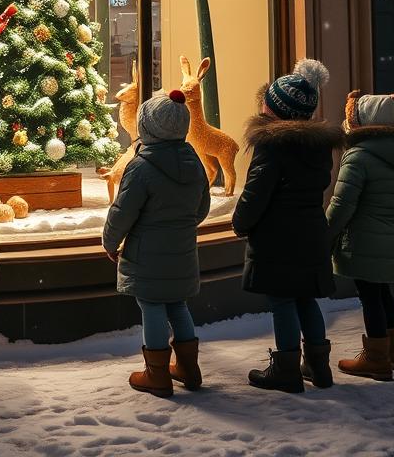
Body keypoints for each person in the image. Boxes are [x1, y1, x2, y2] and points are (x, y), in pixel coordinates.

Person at [232, 58, 342, 394]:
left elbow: (256, 193)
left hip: (278, 238)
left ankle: (286, 369)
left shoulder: (273, 147)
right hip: (310, 233)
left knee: (282, 302)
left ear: (276, 109)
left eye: (267, 101)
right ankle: (319, 367)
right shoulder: (317, 147)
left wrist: (241, 221)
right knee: (306, 299)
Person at [102, 89, 211, 397]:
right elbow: (202, 207)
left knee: (151, 306)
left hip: (146, 254)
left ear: (147, 127)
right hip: (183, 252)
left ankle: (157, 374)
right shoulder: (194, 162)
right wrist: (181, 225)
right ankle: (190, 368)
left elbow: (122, 211)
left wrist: (110, 242)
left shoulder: (140, 167)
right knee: (178, 303)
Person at [326, 91, 394, 381]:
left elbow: (342, 205)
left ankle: (376, 358)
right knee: (384, 294)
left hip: (365, 243)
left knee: (370, 296)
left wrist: (325, 238)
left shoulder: (358, 157)